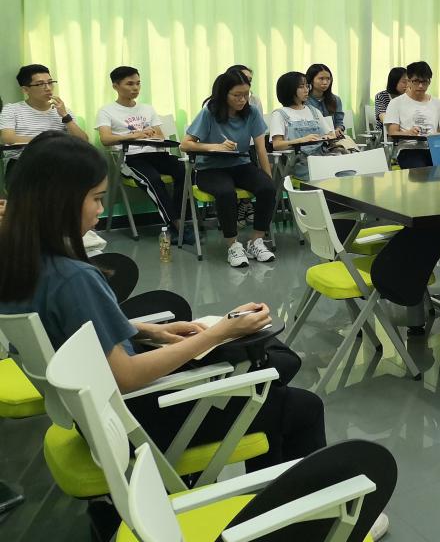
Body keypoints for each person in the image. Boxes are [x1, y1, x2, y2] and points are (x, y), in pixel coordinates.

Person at [0, 134, 324, 471]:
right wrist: (218, 333)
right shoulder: (74, 278)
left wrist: (147, 331)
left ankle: (272, 483)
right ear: (59, 201)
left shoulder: (21, 261)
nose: (101, 209)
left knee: (270, 376)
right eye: (96, 198)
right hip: (137, 421)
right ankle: (293, 500)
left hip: (97, 418)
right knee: (299, 403)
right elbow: (126, 376)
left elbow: (73, 333)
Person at [181, 70, 277, 268]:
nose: (242, 100)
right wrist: (215, 146)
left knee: (268, 188)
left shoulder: (252, 113)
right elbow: (185, 144)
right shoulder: (209, 112)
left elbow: (261, 149)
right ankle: (233, 245)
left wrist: (267, 178)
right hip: (210, 168)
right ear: (224, 94)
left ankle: (256, 241)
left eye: (246, 95)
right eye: (237, 95)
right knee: (226, 193)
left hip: (241, 165)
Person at [95, 66, 186, 231]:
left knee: (185, 170)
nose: (135, 88)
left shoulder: (147, 108)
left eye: (138, 83)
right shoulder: (106, 111)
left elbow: (160, 135)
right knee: (153, 179)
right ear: (115, 86)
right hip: (130, 158)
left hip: (155, 154)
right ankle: (176, 226)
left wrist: (151, 134)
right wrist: (134, 135)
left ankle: (179, 216)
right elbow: (105, 139)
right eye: (130, 84)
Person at [0, 64, 90, 152]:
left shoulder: (63, 110)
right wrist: (52, 142)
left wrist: (65, 116)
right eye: (40, 84)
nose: (48, 88)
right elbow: (8, 138)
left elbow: (83, 141)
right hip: (23, 158)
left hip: (58, 158)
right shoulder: (11, 109)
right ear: (25, 90)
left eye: (50, 83)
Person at [268, 71, 337, 178]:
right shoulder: (279, 114)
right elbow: (277, 145)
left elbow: (331, 134)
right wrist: (301, 140)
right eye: (301, 87)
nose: (306, 90)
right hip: (299, 162)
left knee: (345, 170)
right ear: (289, 89)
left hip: (323, 157)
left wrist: (328, 137)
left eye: (307, 86)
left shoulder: (314, 111)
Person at [383, 61, 440, 139]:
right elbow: (392, 133)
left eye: (424, 81)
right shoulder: (395, 103)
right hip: (407, 145)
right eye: (416, 81)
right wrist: (408, 133)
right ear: (408, 81)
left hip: (432, 145)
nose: (420, 86)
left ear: (429, 82)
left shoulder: (438, 103)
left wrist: (434, 136)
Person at [305, 63, 344, 132]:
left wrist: (338, 129)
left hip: (332, 136)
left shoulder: (335, 99)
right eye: (321, 78)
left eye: (328, 79)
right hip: (312, 137)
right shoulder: (304, 100)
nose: (325, 82)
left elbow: (339, 122)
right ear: (311, 80)